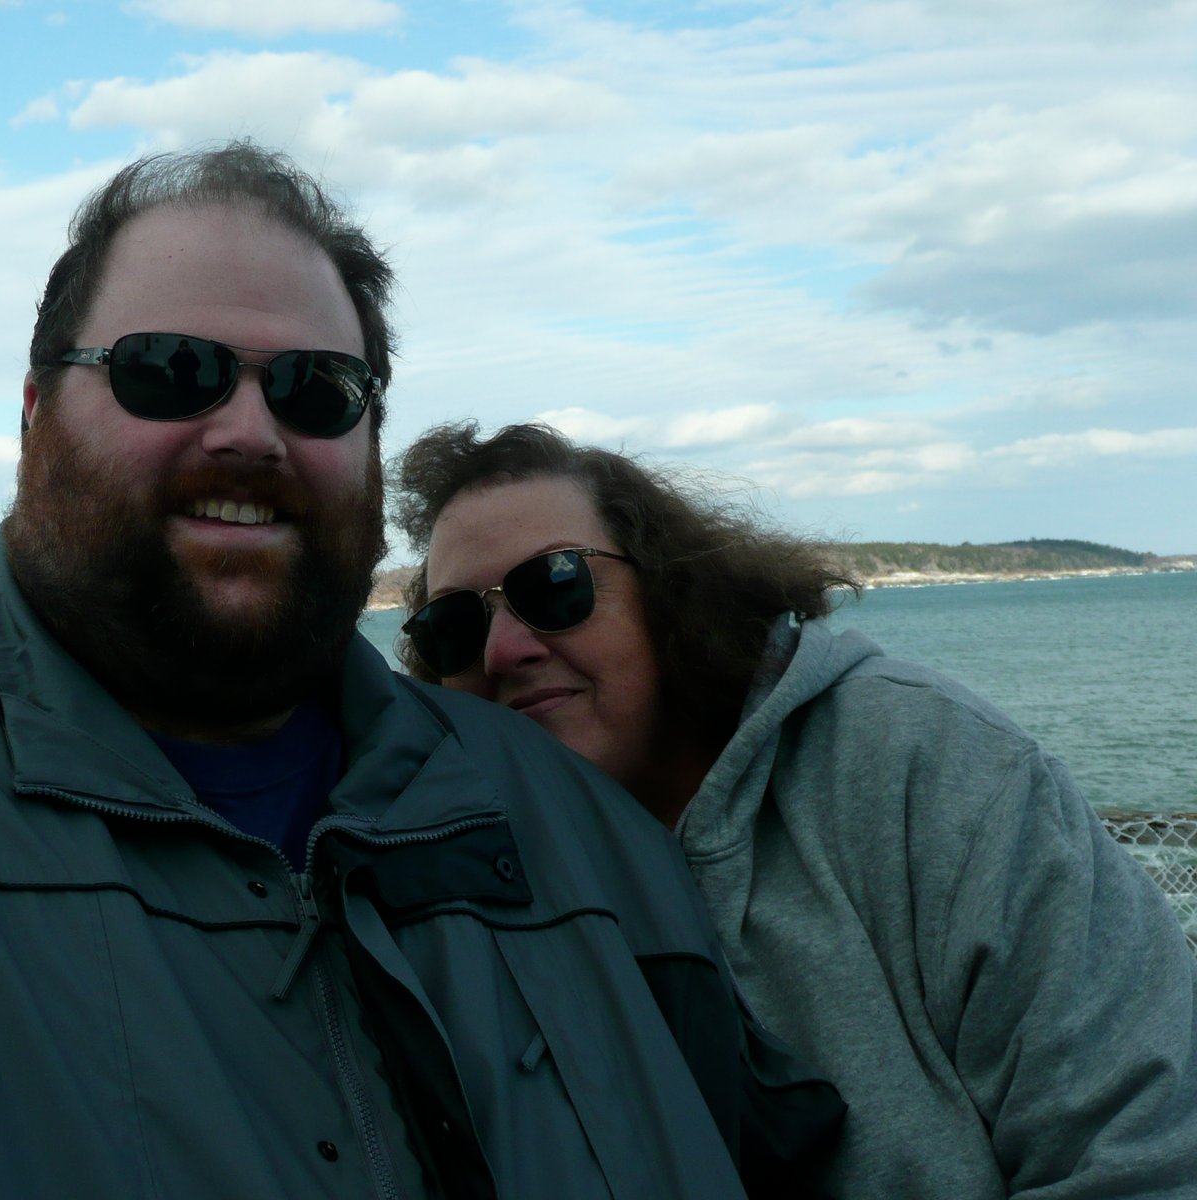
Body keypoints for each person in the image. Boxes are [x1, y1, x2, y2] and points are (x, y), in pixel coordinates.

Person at [0, 144, 843, 1198]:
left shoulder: (579, 839)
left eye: (317, 391)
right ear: (34, 414)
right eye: (170, 370)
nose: (248, 431)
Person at [393, 421, 1197, 1199]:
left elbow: (1145, 1149)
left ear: (669, 587)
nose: (504, 650)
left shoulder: (920, 767)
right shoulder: (463, 893)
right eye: (454, 627)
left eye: (554, 586)